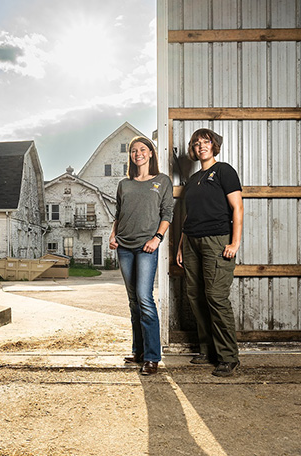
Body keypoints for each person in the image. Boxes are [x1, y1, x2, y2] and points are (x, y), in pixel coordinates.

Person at [176, 128, 243, 377]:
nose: (201, 146)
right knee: (195, 295)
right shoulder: (192, 181)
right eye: (196, 143)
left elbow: (237, 207)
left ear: (214, 146)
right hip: (191, 241)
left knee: (216, 297)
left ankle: (228, 357)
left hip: (217, 240)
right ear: (193, 150)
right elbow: (188, 216)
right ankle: (208, 350)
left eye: (206, 142)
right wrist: (182, 245)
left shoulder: (224, 170)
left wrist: (234, 243)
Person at [109, 136, 174, 376]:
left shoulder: (161, 181)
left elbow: (167, 213)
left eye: (143, 149)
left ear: (150, 153)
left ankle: (152, 357)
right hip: (124, 246)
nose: (138, 153)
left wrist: (157, 238)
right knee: (133, 302)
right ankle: (138, 351)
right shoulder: (124, 184)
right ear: (131, 156)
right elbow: (118, 212)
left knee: (145, 299)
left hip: (147, 246)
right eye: (134, 150)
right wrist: (113, 234)